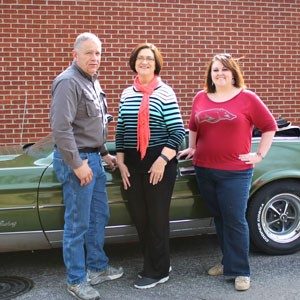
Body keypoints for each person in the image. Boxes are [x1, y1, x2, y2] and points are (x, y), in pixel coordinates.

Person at [178, 53, 277, 291]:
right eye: (215, 70)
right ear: (210, 74)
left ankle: (241, 271)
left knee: (235, 220)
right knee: (220, 218)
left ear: (233, 73)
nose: (219, 74)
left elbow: (269, 126)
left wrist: (259, 155)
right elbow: (193, 125)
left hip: (235, 172)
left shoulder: (247, 98)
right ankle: (227, 262)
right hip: (204, 169)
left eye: (224, 69)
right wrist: (192, 147)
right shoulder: (201, 97)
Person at [50, 32, 123, 300]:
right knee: (78, 223)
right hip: (77, 161)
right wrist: (78, 164)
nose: (95, 58)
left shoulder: (91, 81)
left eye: (98, 53)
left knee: (98, 217)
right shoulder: (68, 82)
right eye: (89, 53)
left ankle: (96, 267)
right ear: (76, 55)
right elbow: (61, 128)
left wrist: (104, 154)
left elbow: (92, 126)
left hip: (94, 158)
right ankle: (76, 280)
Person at [115, 43, 185, 289]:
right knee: (140, 217)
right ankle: (158, 261)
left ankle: (157, 271)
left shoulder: (165, 92)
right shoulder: (127, 93)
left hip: (160, 162)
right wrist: (121, 162)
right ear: (134, 62)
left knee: (157, 218)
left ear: (156, 65)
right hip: (132, 163)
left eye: (150, 59)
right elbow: (122, 129)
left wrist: (162, 161)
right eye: (141, 58)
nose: (145, 62)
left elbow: (178, 133)